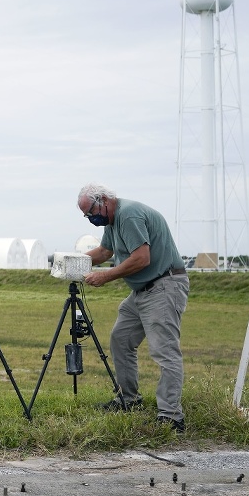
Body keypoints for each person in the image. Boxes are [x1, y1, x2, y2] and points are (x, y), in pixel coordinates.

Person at [77, 183, 190, 432]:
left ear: (104, 200)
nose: (91, 218)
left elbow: (141, 258)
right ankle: (129, 400)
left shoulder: (128, 214)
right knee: (121, 339)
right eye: (86, 216)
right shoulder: (113, 220)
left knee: (164, 351)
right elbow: (106, 251)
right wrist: (73, 262)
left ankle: (171, 416)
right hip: (141, 291)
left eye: (91, 212)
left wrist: (105, 277)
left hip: (163, 286)